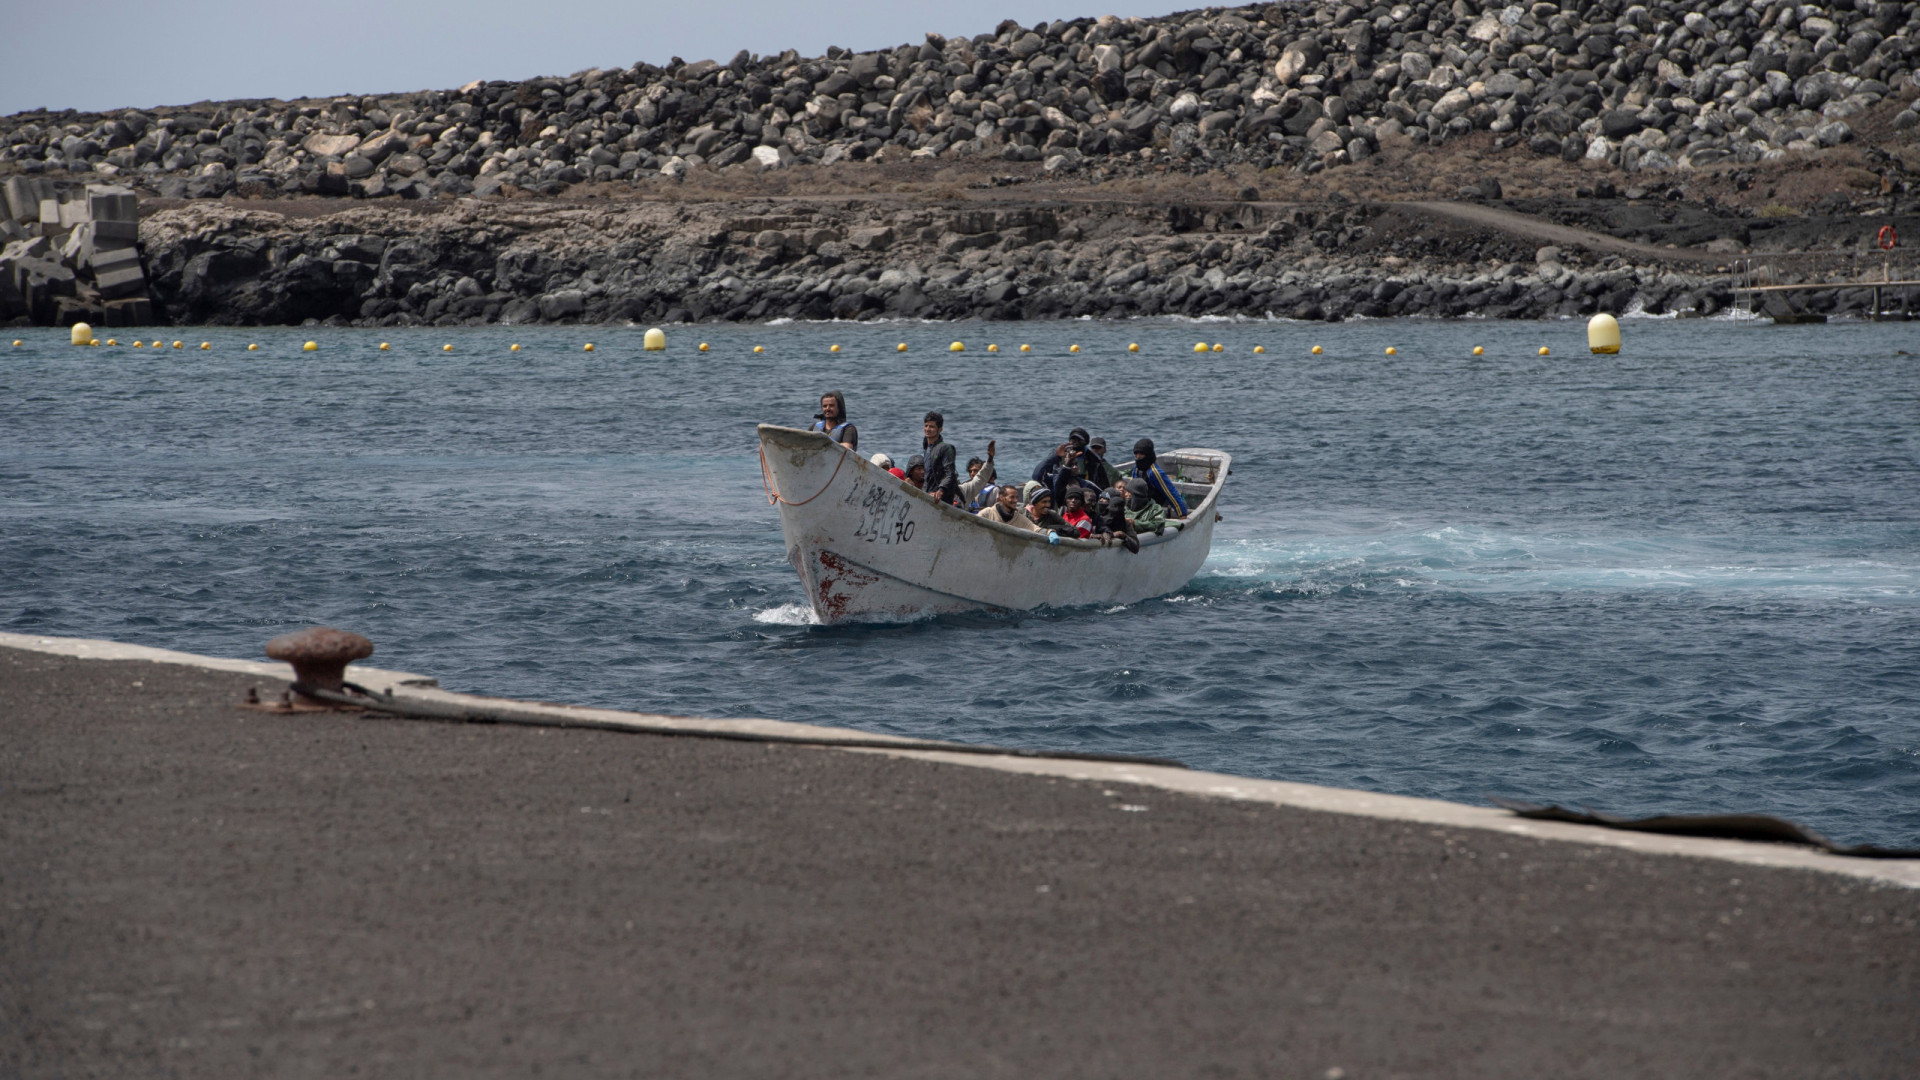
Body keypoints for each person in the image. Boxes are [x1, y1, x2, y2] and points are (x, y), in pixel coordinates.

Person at [1130, 438, 1188, 517]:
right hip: (1140, 506)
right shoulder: (1136, 469)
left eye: (1141, 454)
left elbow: (1170, 492)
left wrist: (1182, 513)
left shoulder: (1154, 473)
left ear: (1148, 455)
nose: (1138, 456)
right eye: (1136, 453)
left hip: (1154, 509)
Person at [921, 412, 961, 504]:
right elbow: (928, 476)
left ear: (940, 429)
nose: (927, 429)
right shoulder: (927, 448)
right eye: (926, 426)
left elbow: (950, 473)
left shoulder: (945, 448)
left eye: (932, 426)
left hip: (941, 499)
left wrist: (941, 490)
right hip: (928, 495)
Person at [975, 482, 1041, 532]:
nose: (1015, 500)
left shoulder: (1018, 518)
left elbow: (1035, 528)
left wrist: (1050, 532)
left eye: (1016, 497)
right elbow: (972, 525)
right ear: (1001, 497)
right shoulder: (988, 513)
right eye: (1012, 497)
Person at [957, 440, 998, 510]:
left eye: (976, 471)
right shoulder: (965, 488)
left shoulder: (994, 490)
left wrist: (990, 458)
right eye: (970, 471)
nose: (972, 473)